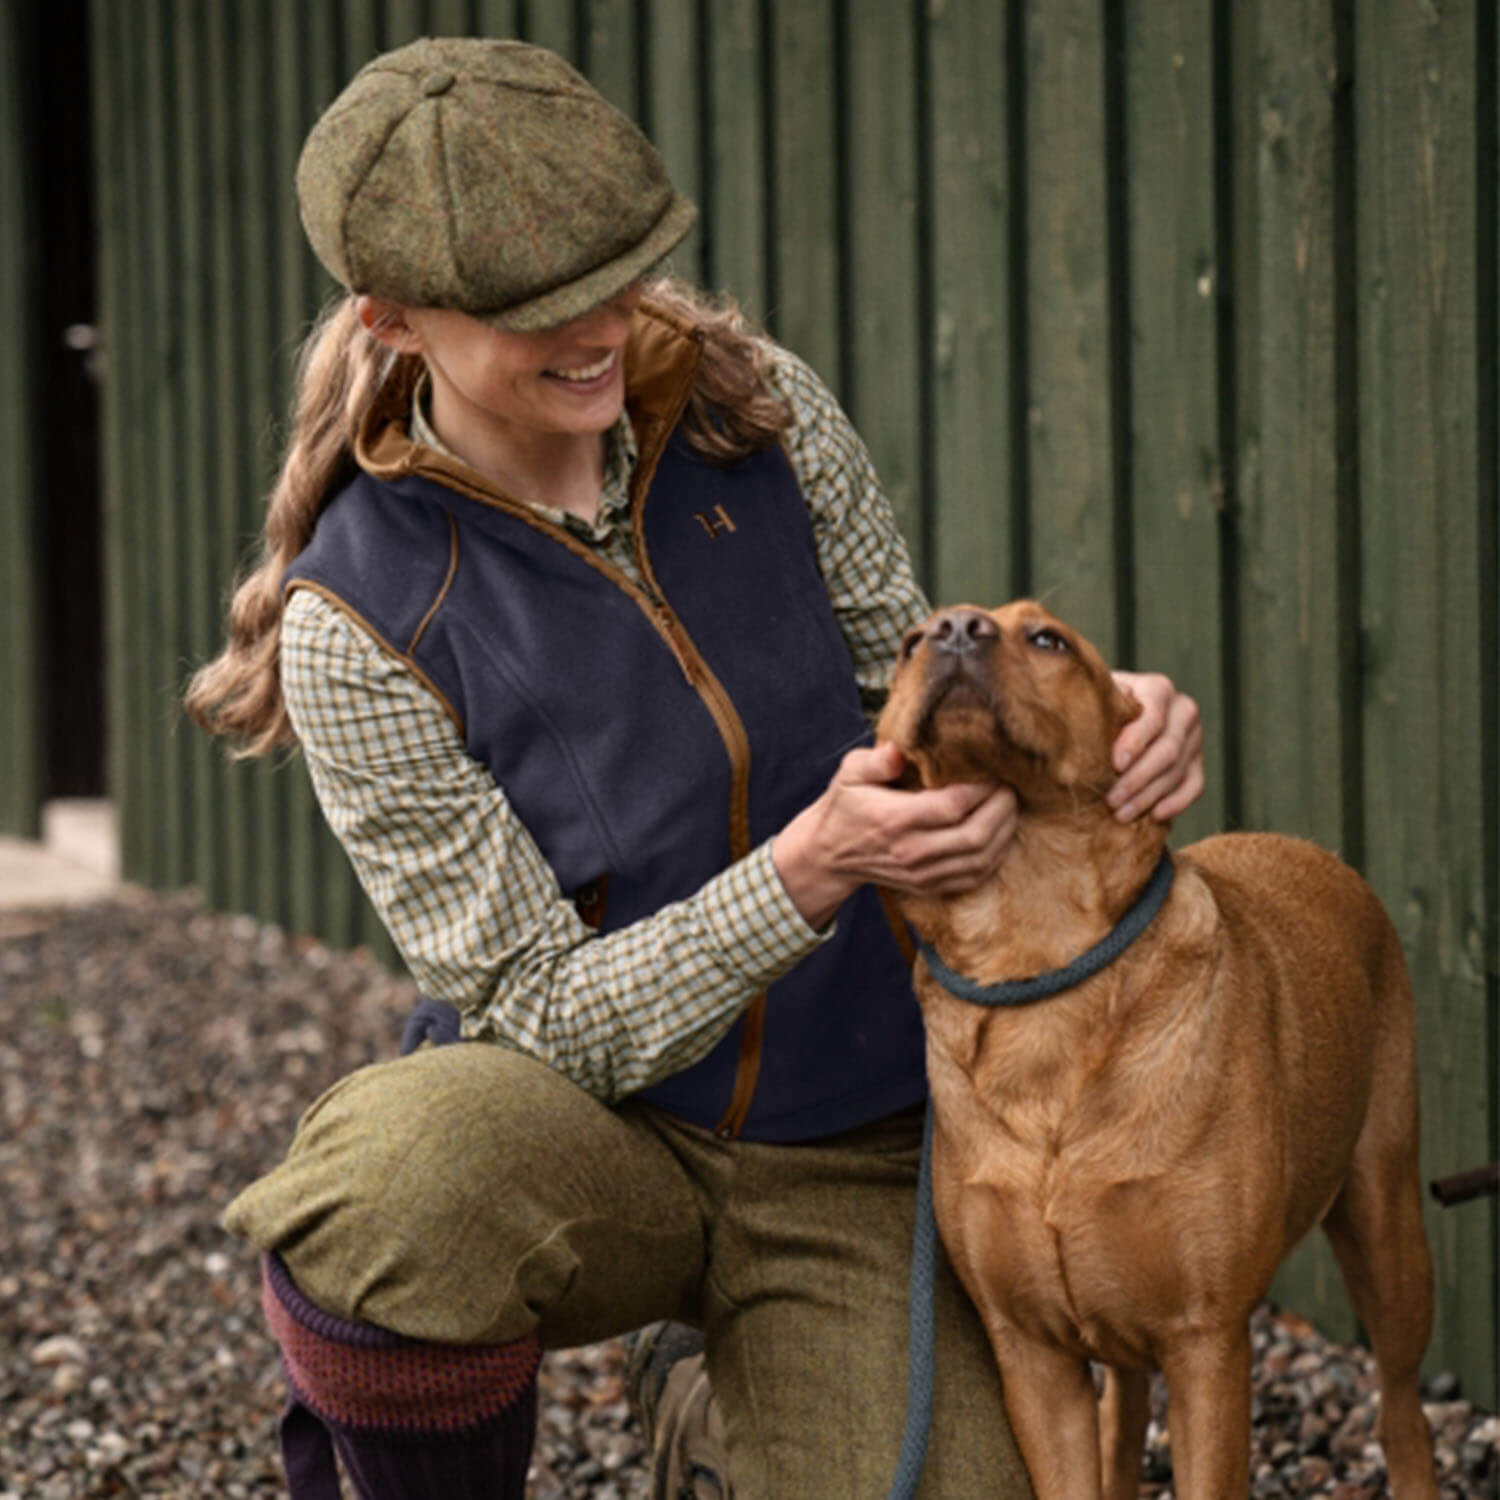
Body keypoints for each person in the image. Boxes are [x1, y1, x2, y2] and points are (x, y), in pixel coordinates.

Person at [189, 36, 1205, 1500]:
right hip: (595, 1136)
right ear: (391, 317)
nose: (599, 327)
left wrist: (1112, 723)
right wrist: (803, 875)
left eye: (619, 271)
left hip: (862, 1139)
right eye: (534, 312)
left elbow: (908, 707)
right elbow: (539, 1008)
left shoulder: (758, 410)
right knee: (389, 1193)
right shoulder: (353, 623)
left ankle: (708, 1416)